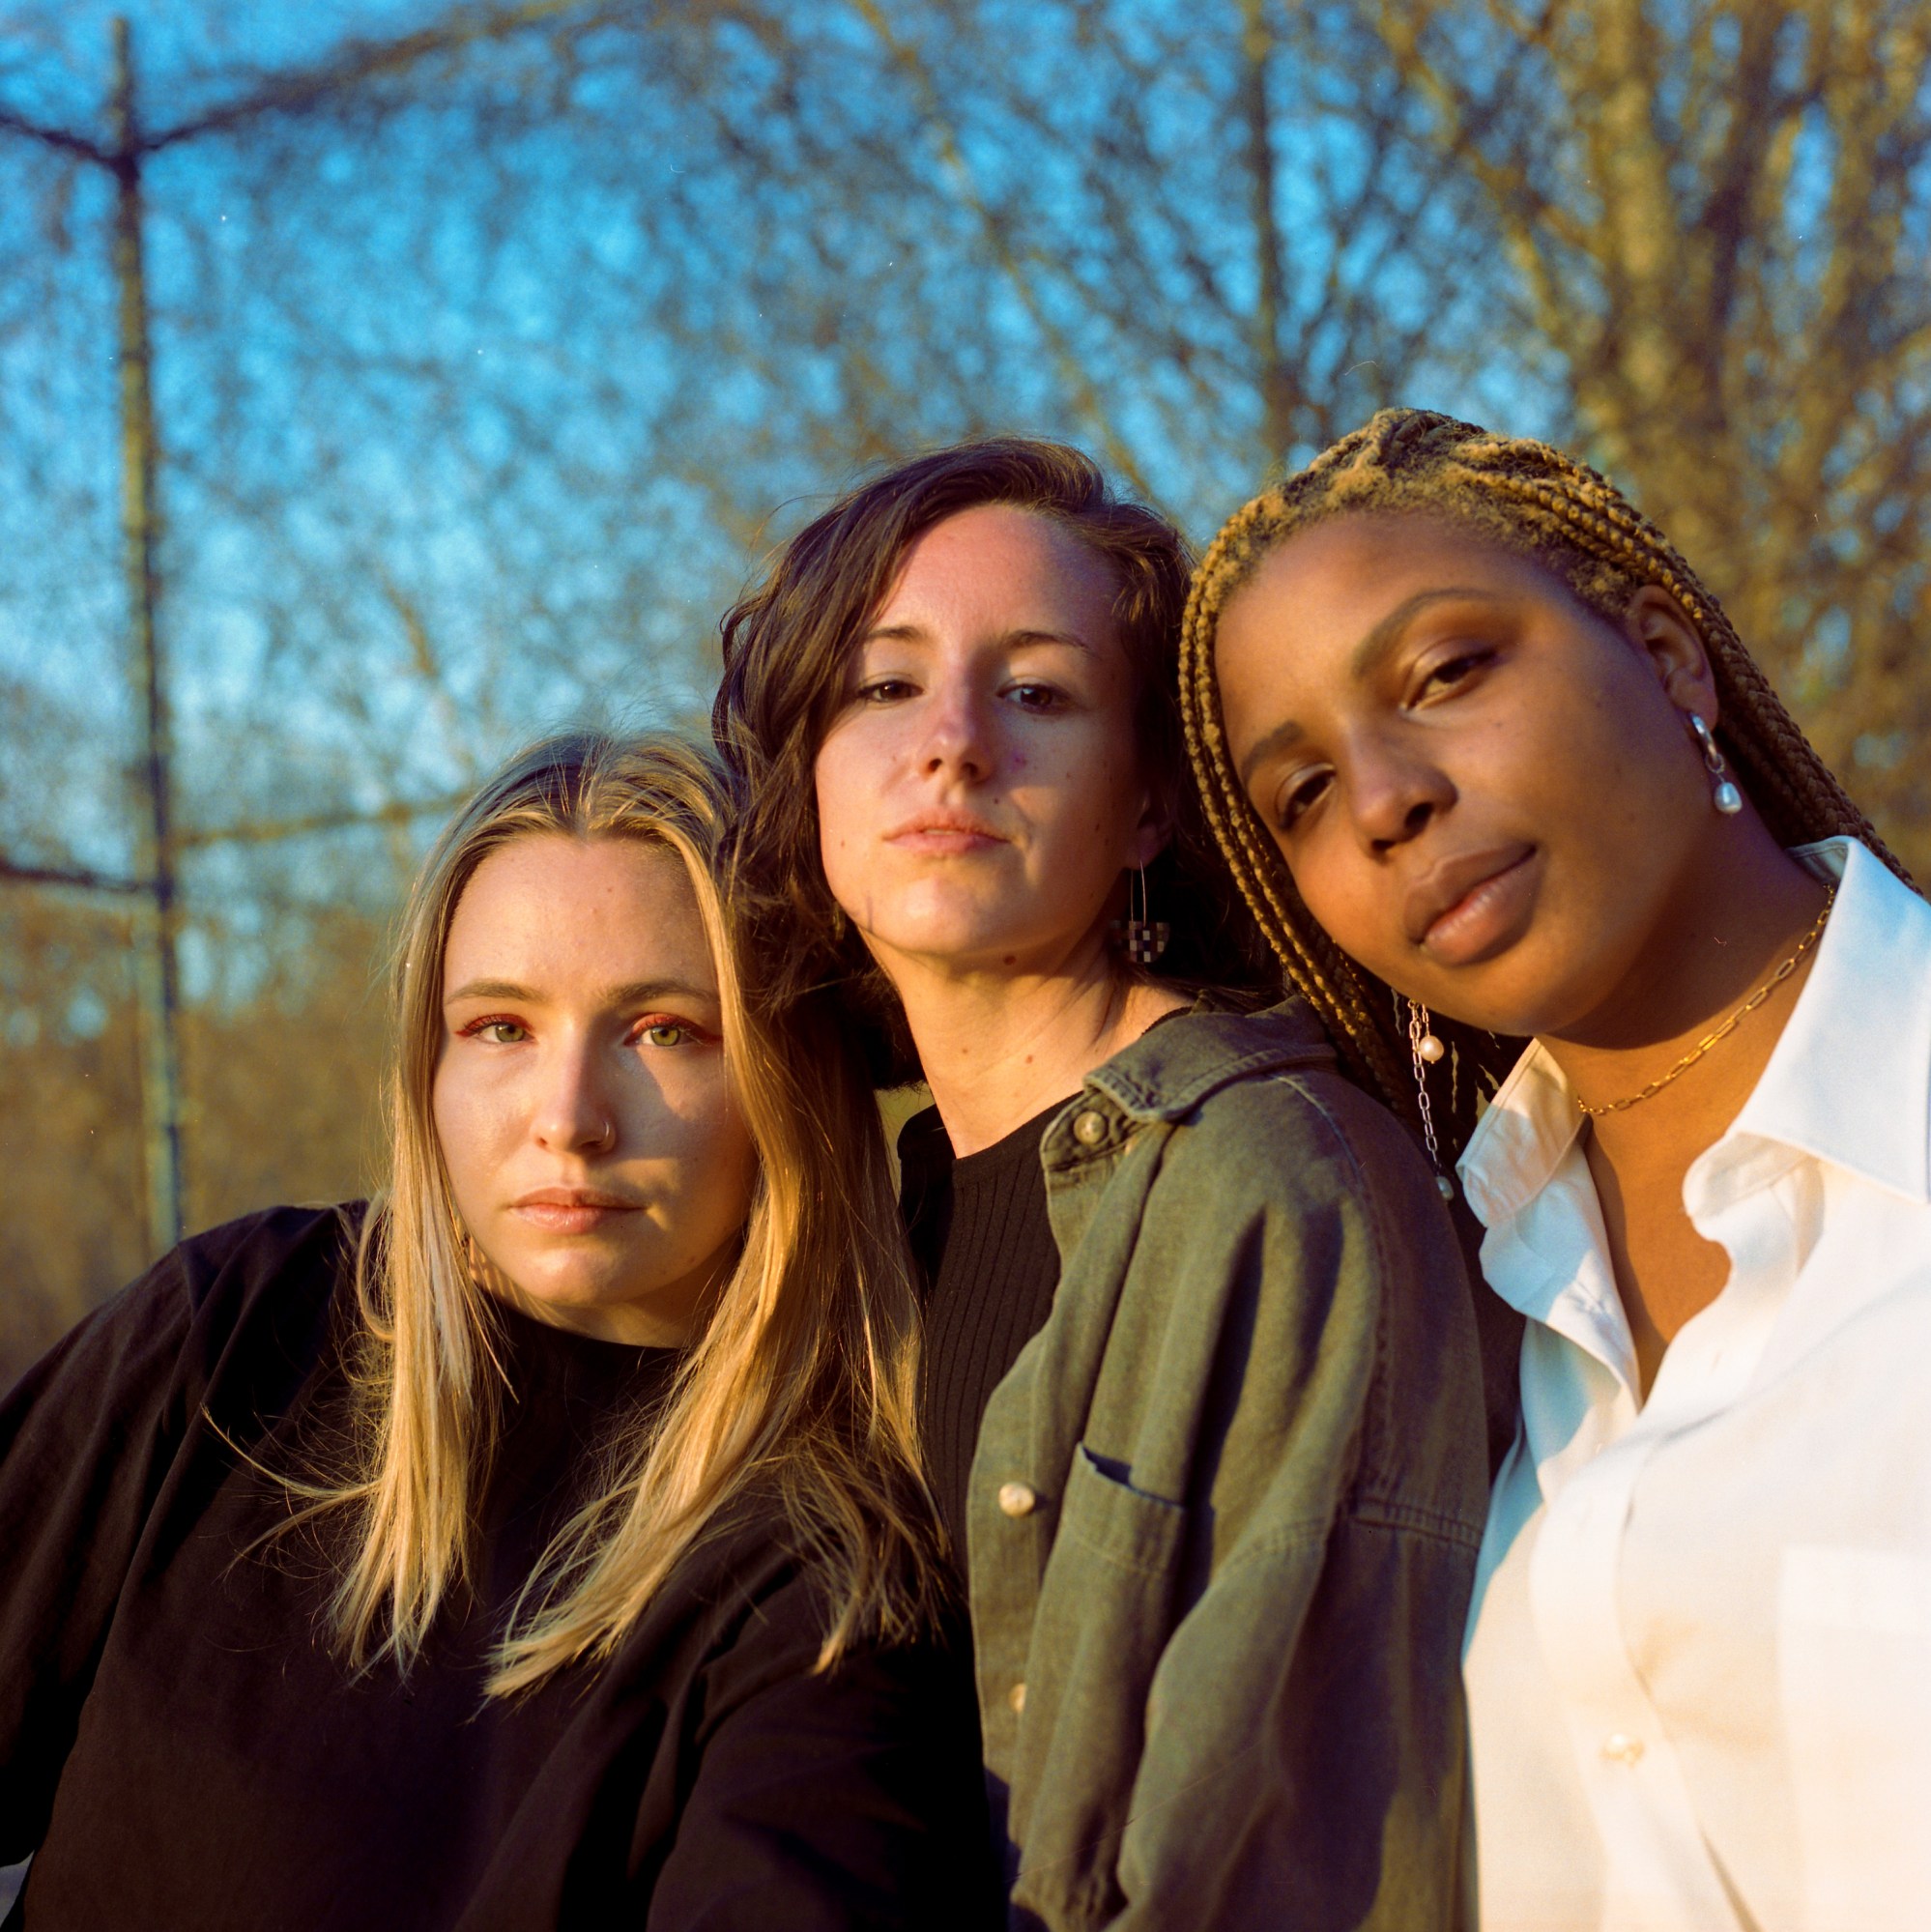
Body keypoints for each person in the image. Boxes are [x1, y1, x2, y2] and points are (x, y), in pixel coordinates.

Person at [0, 732, 994, 1931]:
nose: (567, 1119)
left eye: (665, 1028)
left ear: (792, 1073)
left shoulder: (828, 1579)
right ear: (428, 1063)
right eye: (501, 1028)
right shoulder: (243, 1325)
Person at [713, 439, 1489, 1930]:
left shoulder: (1268, 1183)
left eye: (1037, 692)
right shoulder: (883, 1207)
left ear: (1145, 809)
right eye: (884, 685)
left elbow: (1283, 1850)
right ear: (810, 769)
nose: (950, 743)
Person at [1179, 406, 1931, 1931]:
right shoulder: (1443, 1314)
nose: (1384, 797)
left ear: (1666, 657)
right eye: (1301, 793)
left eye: (1445, 673)